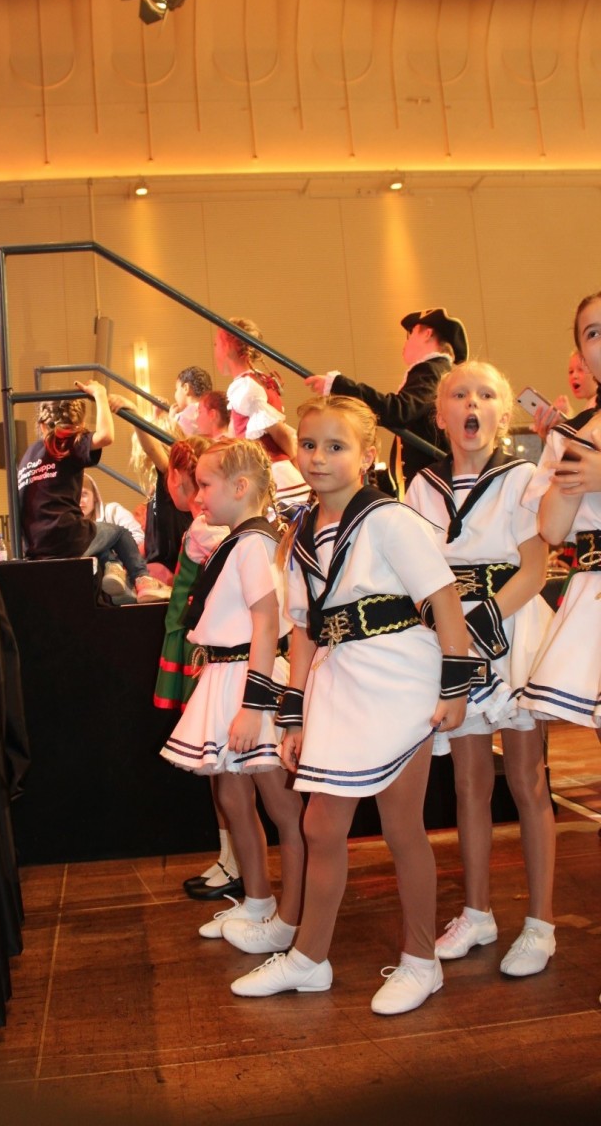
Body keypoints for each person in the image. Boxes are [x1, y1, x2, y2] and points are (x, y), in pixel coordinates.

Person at [231, 395, 477, 1014]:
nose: (318, 457)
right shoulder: (299, 532)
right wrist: (293, 711)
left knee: (402, 827)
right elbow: (304, 630)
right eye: (309, 444)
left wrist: (454, 686)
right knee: (320, 825)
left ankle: (421, 961)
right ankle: (310, 959)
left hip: (400, 678)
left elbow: (443, 597)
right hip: (339, 682)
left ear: (367, 456)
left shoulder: (390, 519)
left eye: (336, 447)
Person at [405, 362, 555, 977]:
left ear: (503, 412)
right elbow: (415, 572)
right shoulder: (421, 486)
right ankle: (478, 912)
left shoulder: (522, 478)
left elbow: (535, 570)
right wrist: (450, 637)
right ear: (440, 415)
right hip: (453, 639)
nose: (473, 404)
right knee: (469, 782)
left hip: (510, 632)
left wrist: (480, 627)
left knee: (527, 779)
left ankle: (540, 924)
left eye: (486, 394)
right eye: (459, 395)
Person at [159, 439, 305, 948]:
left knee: (281, 805)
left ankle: (292, 917)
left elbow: (267, 623)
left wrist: (254, 706)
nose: (197, 496)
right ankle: (259, 901)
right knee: (232, 795)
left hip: (249, 678)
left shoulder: (254, 544)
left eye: (205, 484)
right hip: (227, 675)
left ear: (240, 487)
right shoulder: (239, 541)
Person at [152, 436, 241, 899]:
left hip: (213, 655)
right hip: (202, 649)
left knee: (222, 763)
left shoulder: (211, 531)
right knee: (214, 764)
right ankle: (229, 857)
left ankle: (237, 862)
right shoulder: (204, 528)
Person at [520, 292, 601, 740]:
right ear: (583, 356)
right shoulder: (573, 434)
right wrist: (578, 448)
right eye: (593, 333)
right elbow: (551, 527)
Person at [16, 385, 170, 602]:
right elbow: (106, 436)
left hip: (35, 544)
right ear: (77, 426)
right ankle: (143, 580)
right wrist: (100, 396)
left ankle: (115, 573)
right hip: (65, 538)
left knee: (100, 539)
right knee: (119, 533)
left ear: (41, 425)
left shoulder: (28, 455)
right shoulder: (63, 439)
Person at [304, 308, 469, 496]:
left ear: (427, 334)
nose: (406, 342)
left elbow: (399, 411)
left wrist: (339, 386)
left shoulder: (432, 370)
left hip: (430, 490)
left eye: (411, 333)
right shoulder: (436, 370)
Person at [214, 318, 311, 510]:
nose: (215, 350)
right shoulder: (255, 380)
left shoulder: (246, 386)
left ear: (229, 347)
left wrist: (297, 463)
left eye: (217, 344)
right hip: (264, 472)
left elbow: (279, 432)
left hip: (273, 474)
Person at [109, 393, 191, 579]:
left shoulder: (173, 478)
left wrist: (135, 414)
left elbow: (152, 449)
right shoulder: (158, 489)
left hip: (168, 569)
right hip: (157, 565)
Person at [80, 472, 145, 597]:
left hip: (126, 566)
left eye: (84, 494)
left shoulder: (113, 511)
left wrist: (117, 557)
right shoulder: (71, 530)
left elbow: (139, 537)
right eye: (75, 496)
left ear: (95, 496)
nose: (79, 501)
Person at [169, 365, 213, 436]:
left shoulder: (182, 417)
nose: (175, 394)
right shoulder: (213, 412)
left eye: (176, 389)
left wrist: (171, 419)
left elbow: (174, 438)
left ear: (186, 388)